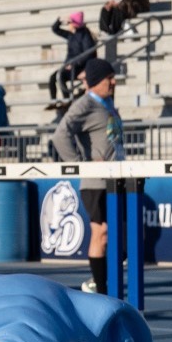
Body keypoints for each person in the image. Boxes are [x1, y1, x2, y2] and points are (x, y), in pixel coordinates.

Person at [52, 58, 123, 295]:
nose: (114, 82)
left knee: (119, 234)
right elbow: (60, 135)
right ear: (96, 81)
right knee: (101, 233)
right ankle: (101, 288)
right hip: (96, 183)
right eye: (109, 78)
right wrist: (79, 165)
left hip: (116, 179)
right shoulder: (85, 104)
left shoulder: (108, 103)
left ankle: (101, 280)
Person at [49, 11, 97, 101]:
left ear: (74, 24)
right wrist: (59, 20)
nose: (68, 25)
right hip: (69, 66)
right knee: (53, 78)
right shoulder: (71, 35)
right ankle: (53, 101)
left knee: (61, 76)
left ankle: (67, 100)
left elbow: (88, 54)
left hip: (79, 67)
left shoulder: (85, 35)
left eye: (70, 23)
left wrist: (74, 63)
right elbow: (55, 29)